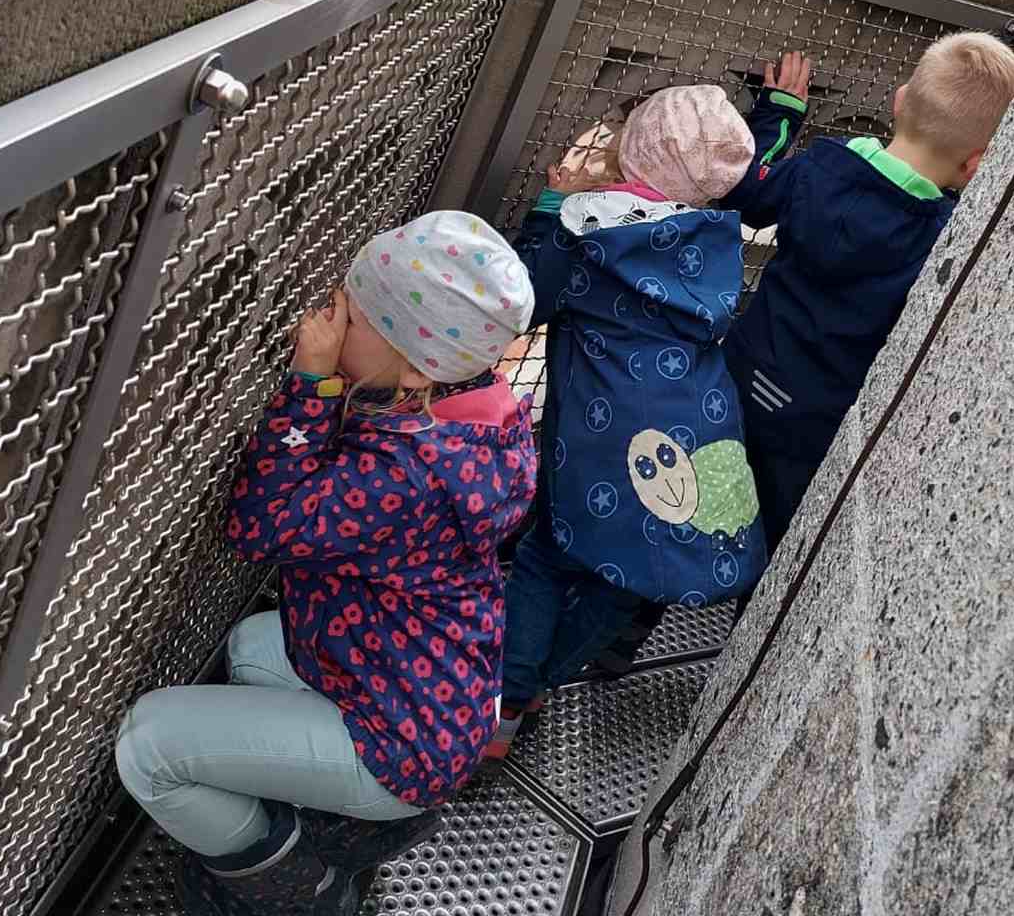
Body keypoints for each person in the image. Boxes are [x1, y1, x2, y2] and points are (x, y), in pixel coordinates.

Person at [115, 211, 537, 916]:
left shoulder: (411, 472)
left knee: (148, 746)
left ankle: (300, 886)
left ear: (414, 367)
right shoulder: (477, 419)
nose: (332, 324)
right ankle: (350, 822)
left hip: (401, 748)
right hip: (435, 703)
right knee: (251, 646)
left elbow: (256, 527)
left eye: (357, 318)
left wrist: (311, 384)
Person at [489, 85, 765, 758]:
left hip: (602, 443)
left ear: (631, 149)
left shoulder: (593, 232)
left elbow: (527, 296)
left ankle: (501, 704)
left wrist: (551, 206)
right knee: (620, 581)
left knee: (546, 557)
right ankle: (541, 682)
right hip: (689, 434)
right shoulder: (713, 242)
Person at [724, 33, 1014, 551]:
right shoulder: (943, 242)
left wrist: (780, 114)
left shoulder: (821, 166)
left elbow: (749, 194)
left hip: (737, 371)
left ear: (901, 99)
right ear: (978, 165)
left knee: (688, 499)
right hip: (812, 430)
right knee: (768, 548)